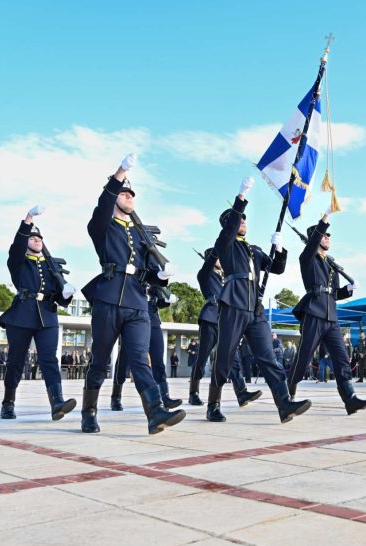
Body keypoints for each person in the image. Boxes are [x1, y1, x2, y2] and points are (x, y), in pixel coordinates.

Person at [79, 153, 185, 434]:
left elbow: (147, 271)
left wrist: (160, 276)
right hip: (108, 299)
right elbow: (103, 205)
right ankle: (88, 411)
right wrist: (119, 174)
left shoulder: (141, 235)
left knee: (140, 359)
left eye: (131, 194)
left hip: (138, 303)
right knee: (100, 361)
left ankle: (155, 412)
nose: (129, 197)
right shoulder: (102, 226)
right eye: (124, 193)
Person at [207, 176, 311, 423]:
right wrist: (241, 198)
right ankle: (214, 404)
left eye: (244, 219)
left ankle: (284, 404)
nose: (243, 222)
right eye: (238, 219)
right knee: (224, 358)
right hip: (233, 304)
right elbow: (232, 224)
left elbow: (276, 268)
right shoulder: (224, 243)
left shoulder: (253, 249)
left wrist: (280, 249)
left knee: (268, 357)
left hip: (255, 309)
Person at [287, 208, 366, 415]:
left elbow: (334, 293)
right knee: (304, 357)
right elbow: (314, 241)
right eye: (324, 235)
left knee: (341, 358)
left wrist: (348, 290)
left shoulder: (331, 264)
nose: (327, 238)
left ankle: (349, 398)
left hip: (331, 315)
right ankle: (287, 394)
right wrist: (324, 219)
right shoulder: (307, 258)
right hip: (314, 312)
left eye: (327, 236)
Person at [0, 206, 77, 419]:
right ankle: (8, 402)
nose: (36, 239)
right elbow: (17, 245)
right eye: (32, 237)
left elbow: (59, 297)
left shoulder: (52, 267)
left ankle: (57, 403)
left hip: (47, 315)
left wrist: (67, 293)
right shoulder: (18, 262)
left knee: (50, 359)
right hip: (22, 314)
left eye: (39, 237)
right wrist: (28, 220)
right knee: (16, 360)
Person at [187, 247, 262, 409]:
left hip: (227, 319)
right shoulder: (205, 275)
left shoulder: (227, 277)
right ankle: (193, 393)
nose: (222, 261)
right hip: (210, 318)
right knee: (202, 357)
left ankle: (241, 392)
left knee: (233, 358)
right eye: (219, 258)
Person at [111, 283, 185, 411]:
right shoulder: (133, 278)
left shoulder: (153, 280)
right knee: (124, 360)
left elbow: (158, 302)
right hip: (133, 320)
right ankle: (116, 396)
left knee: (158, 360)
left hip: (152, 321)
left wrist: (166, 300)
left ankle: (164, 397)